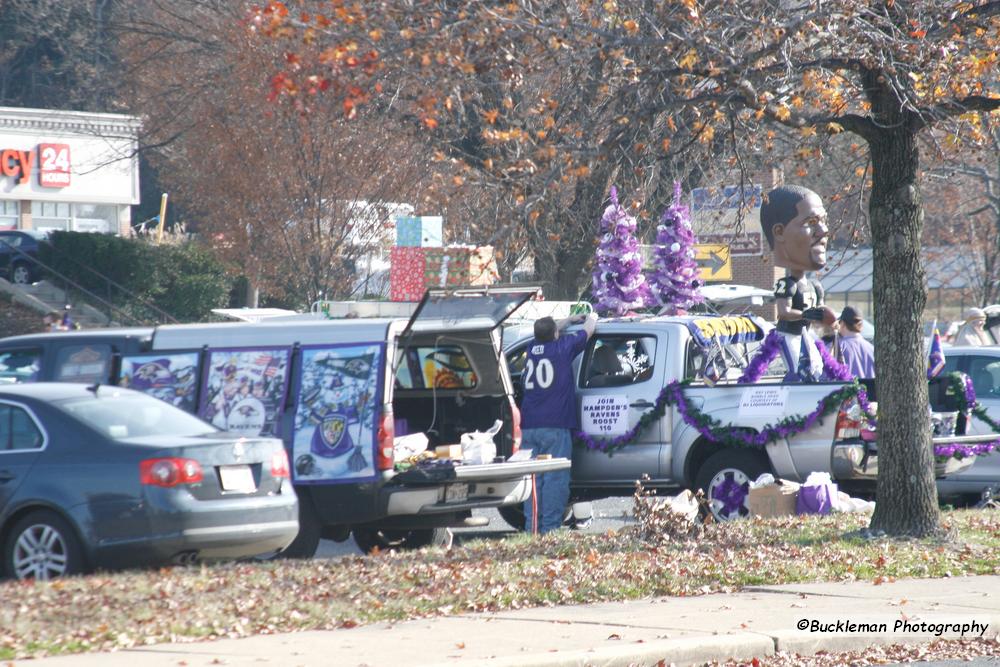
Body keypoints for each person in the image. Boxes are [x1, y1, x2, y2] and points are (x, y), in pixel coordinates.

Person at [521, 310, 597, 534]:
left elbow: (548, 330)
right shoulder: (562, 348)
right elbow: (589, 330)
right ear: (555, 333)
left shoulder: (531, 349)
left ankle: (531, 530)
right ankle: (550, 530)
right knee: (555, 479)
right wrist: (592, 315)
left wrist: (566, 321)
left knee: (533, 481)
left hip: (529, 426)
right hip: (555, 425)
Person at [759, 184, 834, 381]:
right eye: (811, 222)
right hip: (788, 334)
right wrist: (806, 314)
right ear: (779, 232)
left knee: (816, 367)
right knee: (797, 369)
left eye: (824, 221)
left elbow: (821, 313)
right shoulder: (787, 284)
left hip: (805, 332)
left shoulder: (814, 286)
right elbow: (783, 312)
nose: (823, 231)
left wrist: (829, 320)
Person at [834, 306, 875, 379]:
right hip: (871, 390)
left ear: (842, 324)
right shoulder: (872, 349)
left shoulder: (838, 347)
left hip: (848, 389)